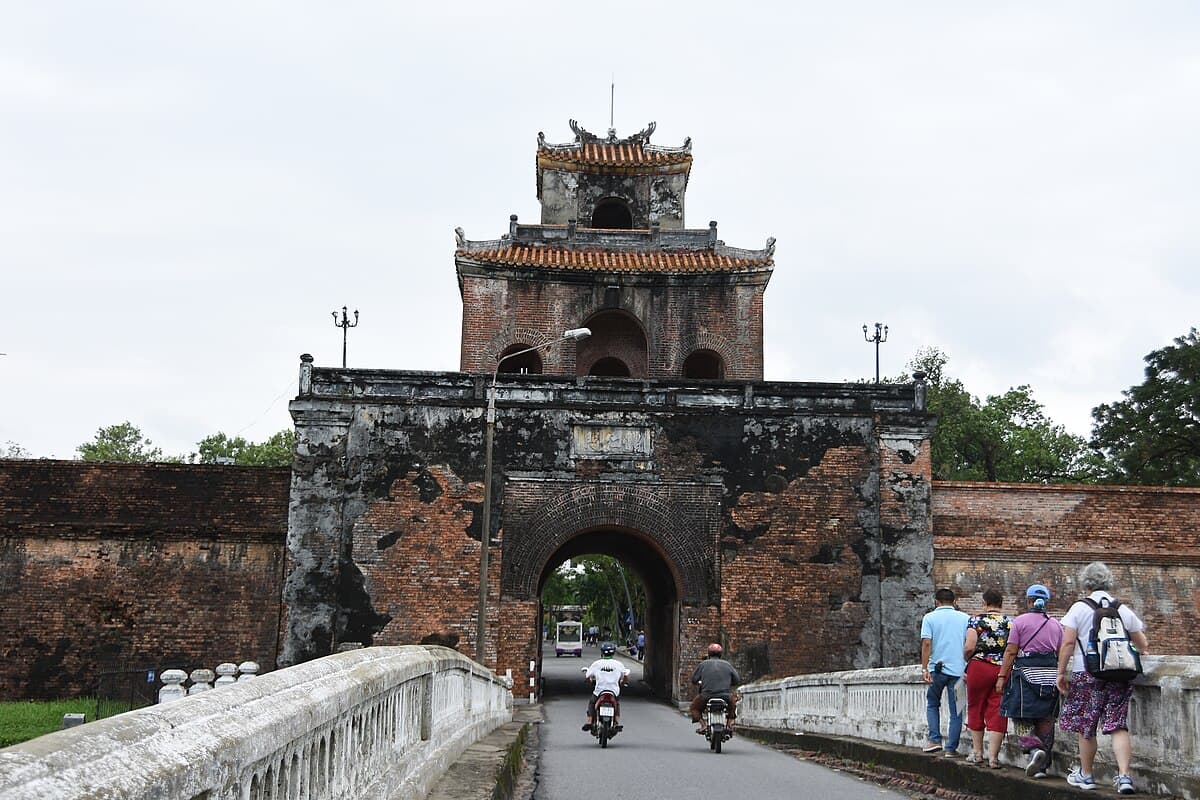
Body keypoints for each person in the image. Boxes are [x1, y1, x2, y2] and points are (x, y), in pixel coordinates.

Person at [1056, 562, 1148, 794]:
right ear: (1108, 582)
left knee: (1087, 726)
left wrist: (1060, 673)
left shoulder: (1078, 608)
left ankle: (1087, 775)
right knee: (1118, 725)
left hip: (1086, 672)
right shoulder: (1121, 609)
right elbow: (1142, 643)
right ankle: (1125, 777)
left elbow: (1067, 643)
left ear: (1085, 583)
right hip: (1118, 673)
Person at [997, 584, 1062, 779]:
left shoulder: (1020, 622)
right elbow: (1060, 653)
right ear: (1046, 603)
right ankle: (1042, 768)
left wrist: (1001, 676)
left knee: (1020, 716)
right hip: (1050, 675)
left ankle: (1034, 751)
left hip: (1025, 673)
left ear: (1028, 601)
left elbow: (1010, 651)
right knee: (1046, 719)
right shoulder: (1056, 625)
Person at [963, 588, 1012, 767]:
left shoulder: (976, 620)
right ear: (1001, 603)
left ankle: (977, 753)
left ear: (984, 603)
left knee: (976, 707)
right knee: (998, 710)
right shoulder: (1010, 623)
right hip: (1002, 669)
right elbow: (1013, 648)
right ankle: (993, 757)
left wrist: (967, 659)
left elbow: (969, 646)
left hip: (979, 667)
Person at [920, 587, 970, 757]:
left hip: (937, 669)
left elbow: (927, 643)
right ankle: (951, 748)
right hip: (959, 671)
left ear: (937, 602)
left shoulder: (930, 618)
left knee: (933, 703)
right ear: (954, 602)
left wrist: (924, 668)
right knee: (957, 710)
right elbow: (970, 645)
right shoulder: (965, 618)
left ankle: (935, 740)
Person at [690, 643, 740, 733]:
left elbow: (694, 680)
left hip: (706, 695)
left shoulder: (703, 664)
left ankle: (703, 725)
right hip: (725, 696)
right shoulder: (727, 664)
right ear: (721, 654)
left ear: (709, 654)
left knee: (694, 708)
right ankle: (729, 724)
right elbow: (736, 680)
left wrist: (700, 683)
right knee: (732, 706)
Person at [582, 641, 630, 732]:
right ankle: (616, 721)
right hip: (613, 691)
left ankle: (589, 720)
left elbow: (588, 676)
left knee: (592, 702)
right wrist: (623, 682)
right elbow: (625, 676)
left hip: (600, 690)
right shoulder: (619, 664)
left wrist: (590, 681)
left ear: (602, 652)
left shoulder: (597, 663)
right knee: (617, 703)